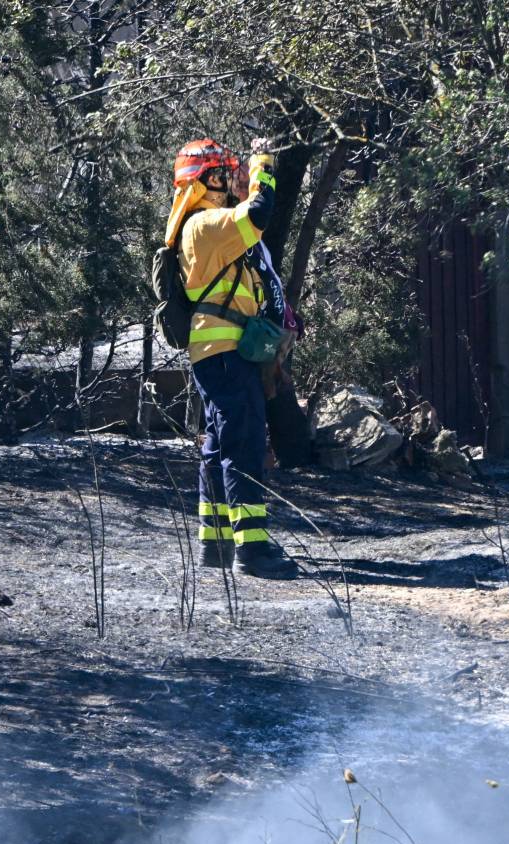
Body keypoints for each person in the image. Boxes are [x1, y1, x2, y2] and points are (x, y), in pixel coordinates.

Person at [164, 138, 300, 579]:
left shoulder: (201, 228)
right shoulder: (205, 224)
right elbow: (259, 212)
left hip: (217, 354)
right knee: (244, 446)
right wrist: (262, 162)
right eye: (222, 175)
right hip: (226, 355)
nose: (229, 182)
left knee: (219, 446)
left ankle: (217, 544)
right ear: (203, 181)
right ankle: (252, 550)